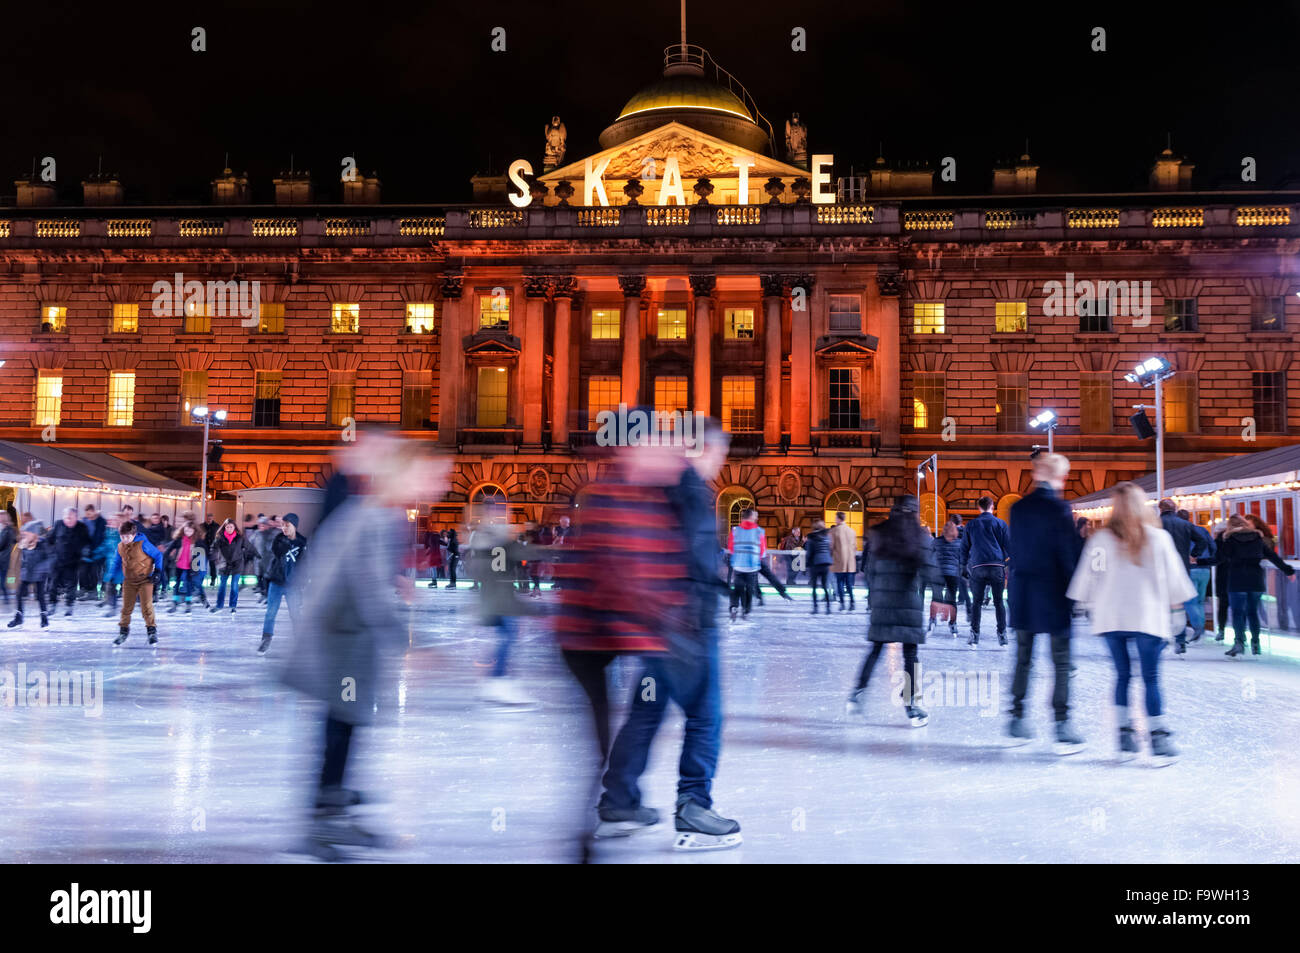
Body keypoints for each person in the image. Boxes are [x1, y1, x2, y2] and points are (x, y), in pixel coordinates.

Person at [280, 444, 451, 859]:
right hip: (341, 643)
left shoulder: (374, 512)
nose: (440, 485)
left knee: (343, 726)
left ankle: (330, 806)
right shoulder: (378, 516)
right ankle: (323, 820)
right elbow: (366, 588)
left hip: (345, 640)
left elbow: (365, 576)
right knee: (341, 727)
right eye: (434, 475)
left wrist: (393, 582)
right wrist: (409, 644)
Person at [596, 418, 742, 851]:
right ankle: (694, 806)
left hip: (656, 626)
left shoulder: (656, 489)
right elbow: (694, 560)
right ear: (702, 451)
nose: (720, 463)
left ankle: (618, 802)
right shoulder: (693, 490)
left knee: (646, 712)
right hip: (688, 626)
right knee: (704, 715)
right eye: (719, 454)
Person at [1066, 482, 1193, 764]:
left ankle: (1124, 734)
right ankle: (1158, 736)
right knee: (1151, 678)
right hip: (1148, 617)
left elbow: (1090, 578)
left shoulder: (1101, 540)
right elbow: (1174, 580)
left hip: (1112, 617)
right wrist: (1177, 613)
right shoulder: (1157, 539)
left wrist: (1084, 604)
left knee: (1123, 675)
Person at [1007, 452, 1086, 753]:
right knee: (1062, 662)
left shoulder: (1018, 508)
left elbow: (1018, 549)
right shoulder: (1060, 508)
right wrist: (1074, 593)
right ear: (1060, 477)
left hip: (1024, 592)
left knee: (1023, 658)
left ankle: (1017, 715)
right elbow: (1065, 554)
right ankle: (1062, 722)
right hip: (1053, 594)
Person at [847, 495, 947, 727]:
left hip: (882, 603)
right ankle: (911, 705)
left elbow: (869, 570)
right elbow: (930, 569)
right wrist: (942, 597)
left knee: (876, 649)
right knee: (910, 655)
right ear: (914, 513)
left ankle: (857, 694)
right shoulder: (919, 537)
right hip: (907, 603)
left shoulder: (880, 534)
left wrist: (875, 595)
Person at [474, 507, 542, 706]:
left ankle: (496, 680)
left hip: (494, 597)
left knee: (507, 637)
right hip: (500, 599)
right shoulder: (497, 541)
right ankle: (497, 681)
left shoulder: (487, 539)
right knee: (508, 636)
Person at [1218, 514, 1295, 656]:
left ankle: (1239, 643)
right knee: (1252, 612)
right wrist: (1288, 570)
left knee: (1238, 614)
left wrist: (1199, 562)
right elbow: (1272, 556)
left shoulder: (1229, 540)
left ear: (1230, 526)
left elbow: (1220, 558)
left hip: (1237, 580)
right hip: (1256, 581)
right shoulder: (1257, 538)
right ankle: (1255, 643)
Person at [1157, 499, 1216, 654]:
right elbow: (1202, 540)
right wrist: (1194, 555)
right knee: (1179, 606)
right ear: (1174, 508)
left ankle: (1163, 637)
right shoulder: (1185, 525)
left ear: (1160, 509)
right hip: (1181, 568)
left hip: (1160, 569)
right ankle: (1180, 640)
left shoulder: (1155, 524)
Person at [962, 495, 1011, 646]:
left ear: (979, 508)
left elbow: (964, 548)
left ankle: (975, 634)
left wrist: (963, 566)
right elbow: (1010, 547)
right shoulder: (1000, 524)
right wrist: (1007, 563)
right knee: (998, 603)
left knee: (976, 602)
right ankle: (1002, 634)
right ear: (992, 507)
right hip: (997, 567)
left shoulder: (971, 525)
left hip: (978, 567)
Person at [110, 519, 165, 646]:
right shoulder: (120, 547)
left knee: (146, 606)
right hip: (129, 581)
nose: (124, 539)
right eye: (122, 536)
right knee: (126, 608)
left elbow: (158, 555)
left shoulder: (143, 544)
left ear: (134, 535)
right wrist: (112, 577)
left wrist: (157, 571)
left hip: (145, 580)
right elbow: (117, 562)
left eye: (127, 536)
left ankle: (151, 631)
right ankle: (123, 632)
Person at [259, 513, 307, 654]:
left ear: (294, 526)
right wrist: (286, 542)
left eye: (287, 525)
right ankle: (266, 639)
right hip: (277, 581)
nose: (284, 528)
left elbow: (305, 563)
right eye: (282, 525)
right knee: (270, 613)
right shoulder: (279, 539)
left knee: (295, 613)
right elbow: (277, 552)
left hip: (293, 584)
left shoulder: (303, 542)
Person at [7, 520, 54, 628]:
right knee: (19, 594)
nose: (24, 535)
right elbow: (22, 560)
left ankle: (44, 618)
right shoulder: (24, 544)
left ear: (33, 534)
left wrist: (40, 568)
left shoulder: (42, 543)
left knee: (40, 596)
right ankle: (19, 617)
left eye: (26, 534)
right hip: (27, 574)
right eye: (23, 534)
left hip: (39, 574)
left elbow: (49, 559)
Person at [50, 507, 91, 617]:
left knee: (71, 585)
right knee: (53, 583)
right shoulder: (58, 524)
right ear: (63, 517)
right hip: (57, 560)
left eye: (71, 518)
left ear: (76, 517)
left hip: (73, 561)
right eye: (66, 518)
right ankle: (52, 604)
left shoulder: (82, 527)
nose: (68, 520)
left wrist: (85, 553)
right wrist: (50, 554)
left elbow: (87, 542)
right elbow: (50, 539)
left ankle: (69, 606)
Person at [727, 507, 765, 621]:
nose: (756, 518)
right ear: (751, 517)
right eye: (755, 516)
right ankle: (745, 611)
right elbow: (762, 551)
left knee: (737, 588)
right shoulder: (759, 531)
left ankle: (734, 606)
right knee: (749, 590)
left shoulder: (735, 530)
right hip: (752, 566)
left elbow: (730, 548)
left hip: (738, 565)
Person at [164, 522, 207, 613]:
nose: (188, 532)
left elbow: (204, 550)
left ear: (194, 531)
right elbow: (170, 549)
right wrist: (165, 556)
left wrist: (201, 562)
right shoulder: (179, 540)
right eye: (186, 530)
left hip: (190, 566)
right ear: (183, 530)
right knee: (177, 584)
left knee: (188, 585)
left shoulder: (197, 541)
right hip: (179, 565)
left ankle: (188, 604)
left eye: (190, 530)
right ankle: (174, 603)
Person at [931, 520, 963, 639]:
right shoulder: (959, 543)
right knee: (952, 600)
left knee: (936, 597)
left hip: (938, 572)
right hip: (953, 574)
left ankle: (932, 619)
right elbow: (962, 558)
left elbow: (929, 554)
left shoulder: (937, 541)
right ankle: (953, 623)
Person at [210, 519, 250, 614]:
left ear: (234, 527)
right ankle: (219, 606)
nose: (229, 529)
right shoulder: (220, 538)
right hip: (224, 564)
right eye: (227, 527)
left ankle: (233, 606)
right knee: (222, 586)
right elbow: (213, 548)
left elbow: (247, 547)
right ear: (224, 528)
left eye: (231, 527)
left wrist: (247, 556)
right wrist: (215, 558)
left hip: (237, 564)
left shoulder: (240, 538)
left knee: (234, 586)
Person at [803, 517, 834, 613]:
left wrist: (806, 565)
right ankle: (828, 608)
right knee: (825, 586)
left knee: (814, 587)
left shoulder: (812, 538)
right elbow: (830, 550)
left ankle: (815, 607)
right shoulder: (827, 537)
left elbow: (809, 553)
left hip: (815, 564)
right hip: (826, 564)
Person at [830, 511, 858, 611]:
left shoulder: (834, 531)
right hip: (850, 563)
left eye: (835, 518)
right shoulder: (852, 531)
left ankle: (842, 603)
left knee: (840, 583)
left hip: (839, 562)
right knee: (849, 584)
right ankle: (852, 603)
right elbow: (855, 547)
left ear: (838, 519)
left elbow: (831, 547)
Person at [80, 504, 107, 600]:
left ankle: (93, 591)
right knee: (83, 571)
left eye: (90, 513)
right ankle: (85, 589)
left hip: (97, 550)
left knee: (94, 571)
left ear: (93, 511)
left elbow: (102, 536)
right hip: (85, 550)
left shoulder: (101, 521)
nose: (88, 515)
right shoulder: (84, 521)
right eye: (87, 513)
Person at [97, 513, 122, 614]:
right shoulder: (108, 533)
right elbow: (104, 547)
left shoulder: (122, 534)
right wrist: (94, 555)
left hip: (120, 565)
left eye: (114, 520)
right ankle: (110, 603)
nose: (111, 522)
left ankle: (112, 606)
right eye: (110, 520)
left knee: (113, 585)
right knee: (109, 585)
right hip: (110, 564)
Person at [0, 512, 14, 607]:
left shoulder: (8, 530)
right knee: (2, 580)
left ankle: (6, 597)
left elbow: (1, 544)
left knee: (2, 580)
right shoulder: (5, 529)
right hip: (3, 558)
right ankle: (6, 597)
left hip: (3, 559)